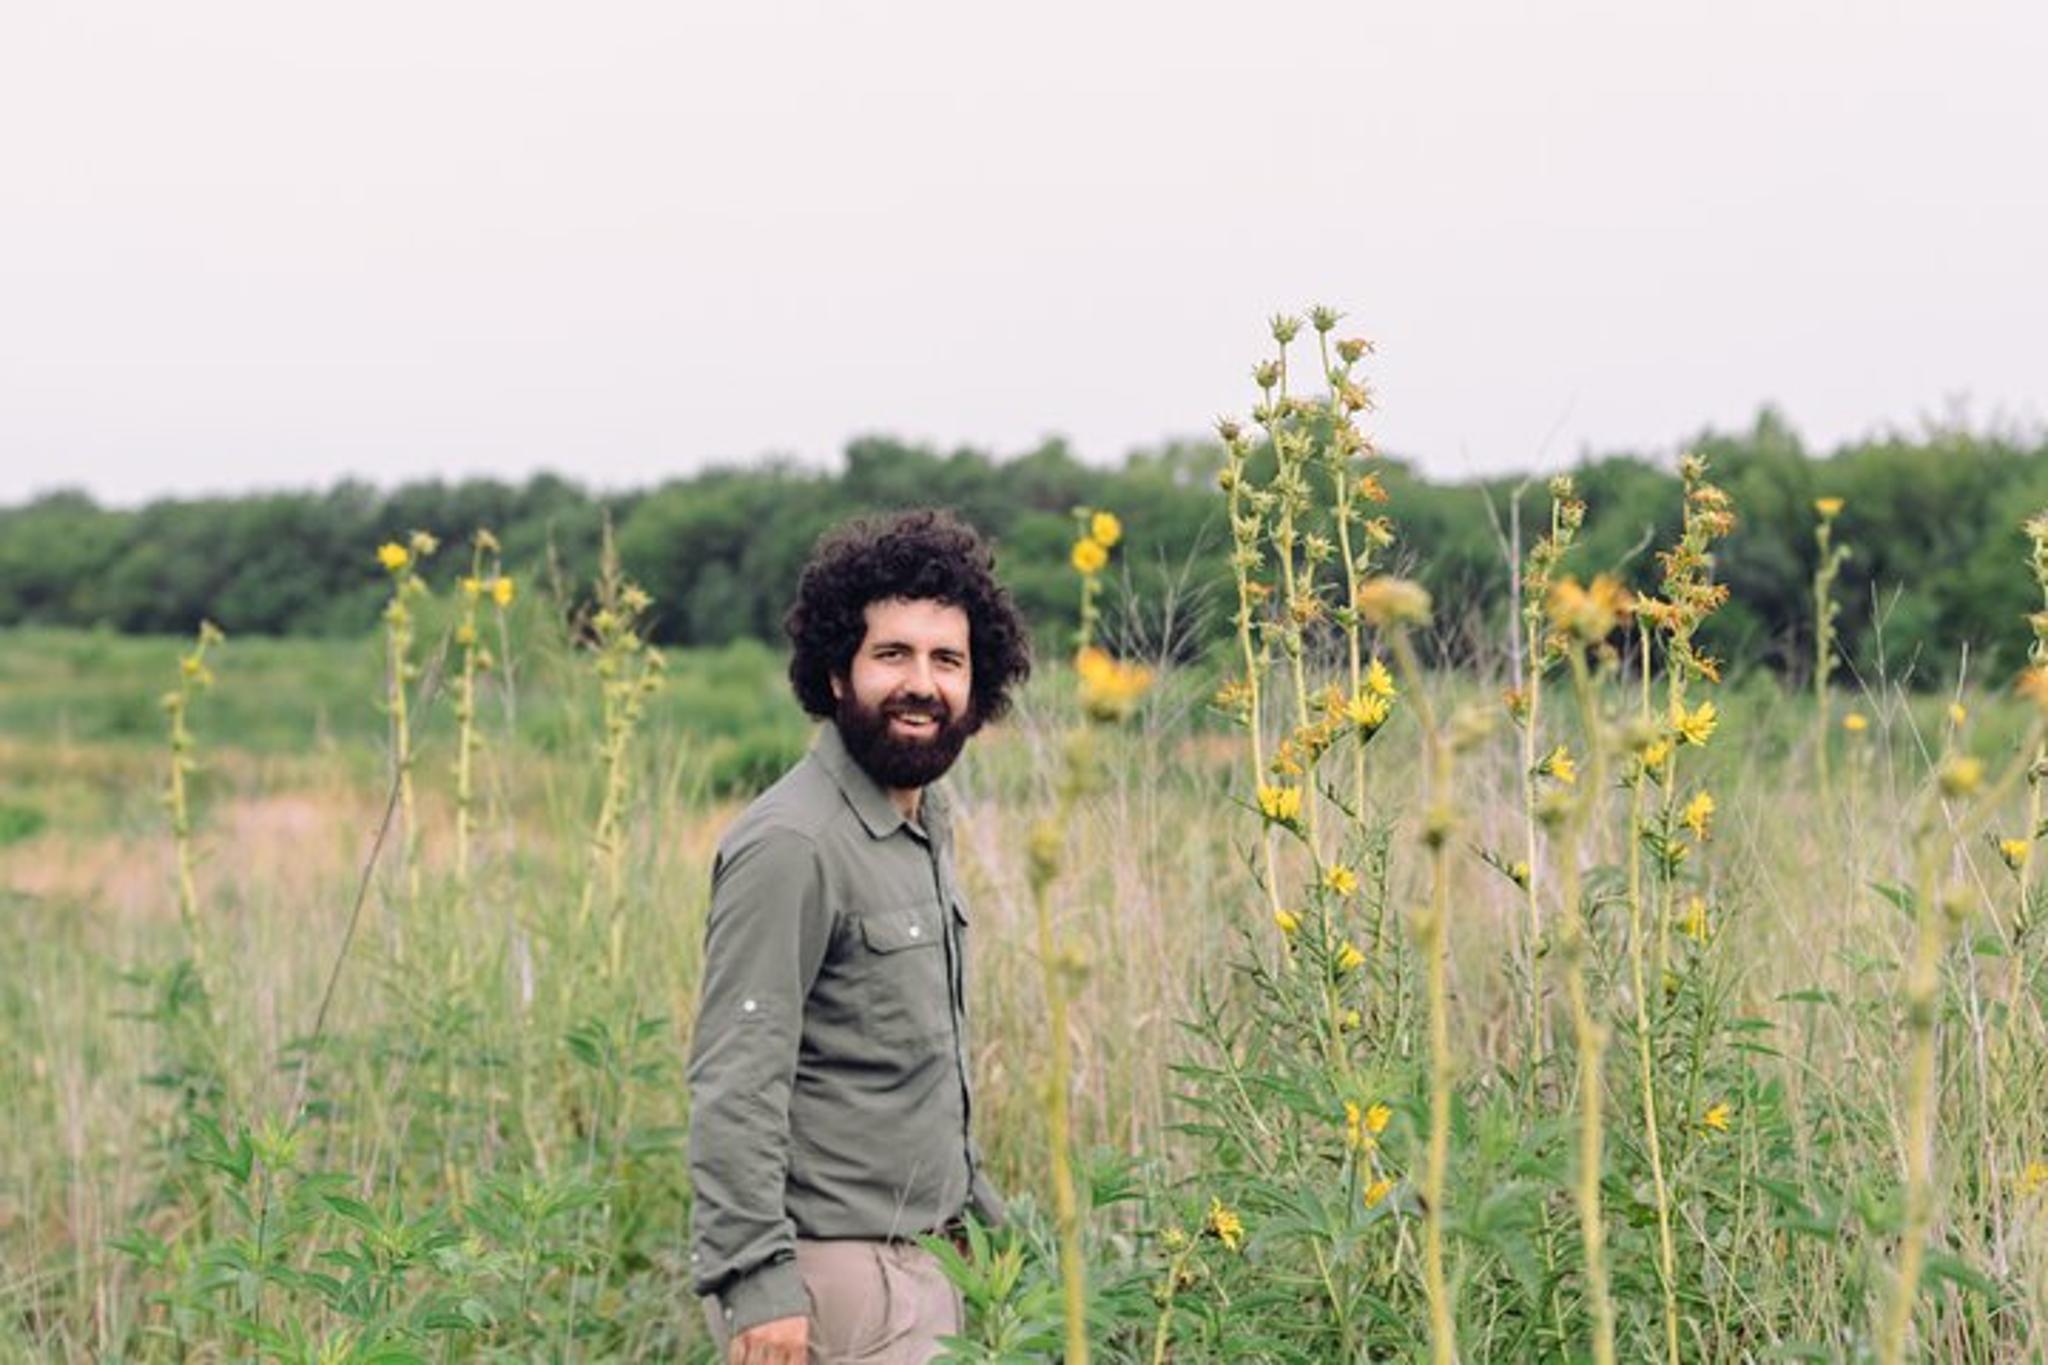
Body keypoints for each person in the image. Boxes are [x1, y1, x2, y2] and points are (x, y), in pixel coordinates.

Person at [687, 508, 1032, 1364]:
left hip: (928, 1264)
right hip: (834, 1283)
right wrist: (756, 1280)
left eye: (946, 659)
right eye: (892, 654)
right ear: (837, 672)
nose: (923, 683)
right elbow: (737, 1075)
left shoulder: (920, 821)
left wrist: (988, 1230)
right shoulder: (793, 843)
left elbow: (909, 1068)